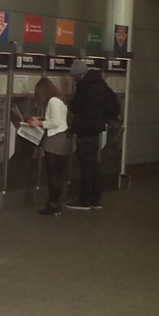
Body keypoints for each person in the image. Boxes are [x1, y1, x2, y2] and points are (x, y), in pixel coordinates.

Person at [67, 59, 120, 210]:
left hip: (85, 128)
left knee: (86, 166)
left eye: (73, 76)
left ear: (78, 74)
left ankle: (84, 200)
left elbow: (76, 106)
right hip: (96, 128)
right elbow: (113, 104)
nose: (73, 79)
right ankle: (96, 199)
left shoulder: (84, 86)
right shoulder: (101, 84)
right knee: (94, 165)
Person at [28, 77, 69, 216]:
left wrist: (38, 124)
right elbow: (57, 119)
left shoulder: (53, 101)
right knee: (57, 174)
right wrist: (42, 119)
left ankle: (52, 204)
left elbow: (55, 122)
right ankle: (55, 204)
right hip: (61, 138)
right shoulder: (59, 100)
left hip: (54, 139)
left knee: (52, 174)